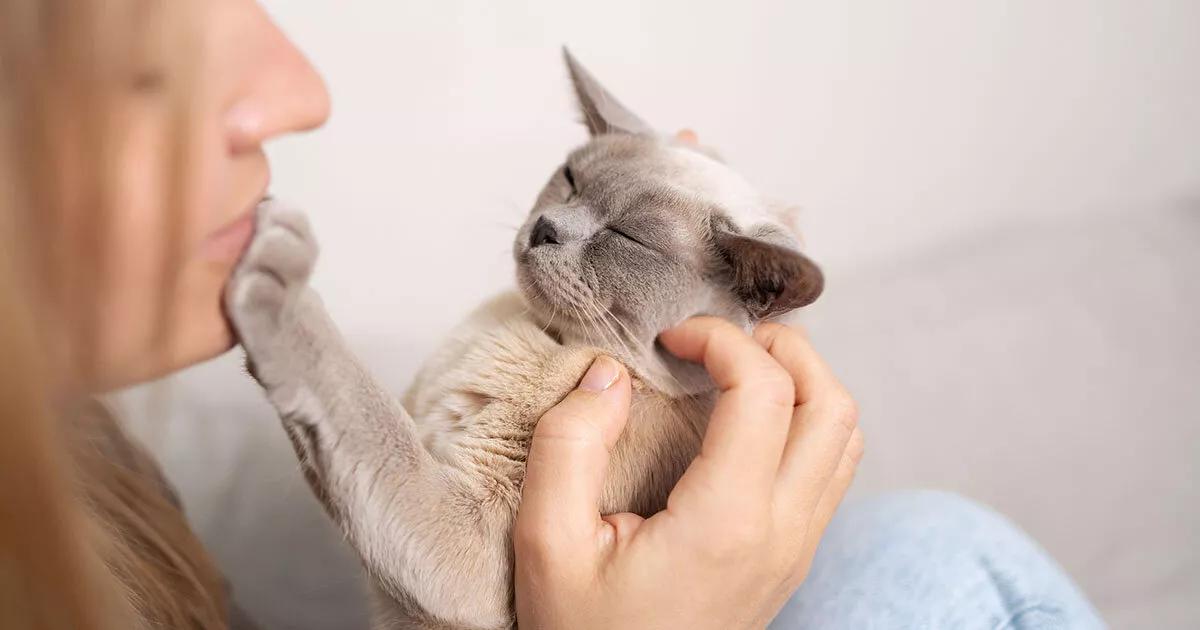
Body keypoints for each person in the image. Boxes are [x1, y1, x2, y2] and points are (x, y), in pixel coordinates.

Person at [0, 1, 1104, 628]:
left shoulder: (75, 457)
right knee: (941, 556)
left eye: (607, 231)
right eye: (143, 64)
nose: (301, 91)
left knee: (924, 541)